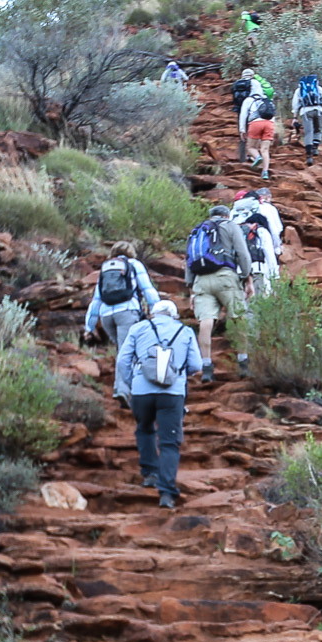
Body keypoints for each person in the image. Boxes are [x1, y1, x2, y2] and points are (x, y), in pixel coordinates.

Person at [114, 299, 203, 509]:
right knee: (169, 442)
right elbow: (197, 365)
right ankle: (166, 493)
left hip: (141, 392)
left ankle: (150, 473)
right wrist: (179, 375)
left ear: (153, 313)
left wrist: (131, 382)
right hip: (172, 394)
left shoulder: (138, 328)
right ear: (173, 315)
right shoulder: (185, 331)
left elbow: (121, 361)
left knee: (144, 429)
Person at [83, 241, 160, 404]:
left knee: (123, 350)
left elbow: (96, 300)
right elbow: (147, 289)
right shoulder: (134, 264)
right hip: (127, 312)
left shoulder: (106, 267)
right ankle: (123, 391)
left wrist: (89, 326)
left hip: (106, 316)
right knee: (127, 352)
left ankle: (128, 388)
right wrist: (157, 310)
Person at [184, 204, 254, 380]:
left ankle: (206, 366)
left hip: (201, 280)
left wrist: (191, 289)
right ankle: (243, 362)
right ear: (227, 215)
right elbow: (242, 253)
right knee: (239, 318)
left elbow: (188, 260)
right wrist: (247, 278)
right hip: (225, 276)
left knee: (205, 322)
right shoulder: (230, 226)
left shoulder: (197, 230)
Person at [231, 191, 280, 295]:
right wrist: (275, 275)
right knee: (256, 300)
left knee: (241, 303)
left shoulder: (235, 214)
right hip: (257, 266)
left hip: (237, 268)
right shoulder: (262, 218)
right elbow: (275, 233)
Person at [241, 85, 278, 180]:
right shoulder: (268, 101)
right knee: (265, 150)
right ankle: (265, 172)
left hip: (255, 123)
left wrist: (242, 130)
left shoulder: (249, 100)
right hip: (269, 123)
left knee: (251, 147)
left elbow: (243, 115)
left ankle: (257, 157)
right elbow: (273, 115)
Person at [293, 74, 322, 166]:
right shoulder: (318, 89)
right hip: (319, 111)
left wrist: (295, 117)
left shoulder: (299, 90)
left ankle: (309, 156)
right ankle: (315, 148)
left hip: (305, 111)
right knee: (318, 130)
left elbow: (295, 105)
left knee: (308, 132)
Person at [231, 68, 263, 159]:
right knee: (253, 134)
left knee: (242, 134)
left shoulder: (236, 83)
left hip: (240, 110)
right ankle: (252, 155)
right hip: (253, 111)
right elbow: (260, 95)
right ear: (252, 75)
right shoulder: (255, 83)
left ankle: (242, 158)